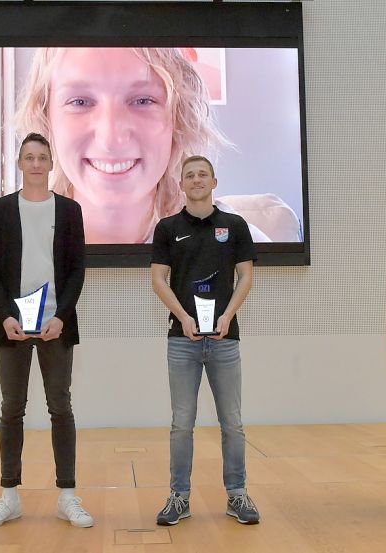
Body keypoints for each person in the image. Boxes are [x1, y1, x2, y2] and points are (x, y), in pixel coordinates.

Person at [0, 47, 290, 245]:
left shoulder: (234, 240)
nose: (111, 138)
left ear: (178, 118)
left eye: (142, 100)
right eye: (80, 101)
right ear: (46, 119)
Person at [0, 132, 93, 529]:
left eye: (43, 156)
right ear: (20, 163)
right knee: (12, 408)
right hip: (11, 324)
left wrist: (62, 314)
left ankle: (67, 496)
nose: (37, 163)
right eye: (29, 156)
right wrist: (5, 313)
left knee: (60, 407)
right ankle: (9, 496)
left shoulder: (70, 211)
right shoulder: (2, 210)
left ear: (51, 163)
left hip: (56, 324)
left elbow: (77, 269)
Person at [150, 155, 260, 526]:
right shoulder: (167, 228)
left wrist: (227, 316)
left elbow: (245, 277)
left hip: (225, 340)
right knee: (182, 423)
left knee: (232, 422)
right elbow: (158, 280)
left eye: (202, 175)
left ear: (214, 181)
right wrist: (183, 317)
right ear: (181, 185)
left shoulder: (235, 225)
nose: (196, 180)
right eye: (189, 176)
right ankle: (179, 497)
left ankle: (237, 494)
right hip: (181, 341)